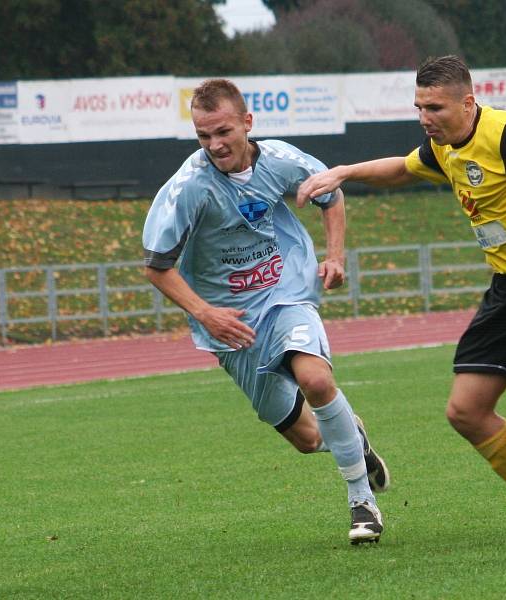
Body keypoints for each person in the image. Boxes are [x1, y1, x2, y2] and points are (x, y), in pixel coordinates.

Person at [296, 55, 506, 540]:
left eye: (434, 107)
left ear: (468, 103)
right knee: (465, 411)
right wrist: (346, 171)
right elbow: (403, 168)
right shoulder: (446, 146)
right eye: (418, 107)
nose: (424, 118)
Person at [142, 78, 390, 545]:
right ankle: (353, 440)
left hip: (285, 292)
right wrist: (206, 314)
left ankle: (363, 501)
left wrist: (335, 256)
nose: (214, 145)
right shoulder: (189, 188)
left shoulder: (280, 161)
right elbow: (158, 266)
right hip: (230, 324)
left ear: (247, 123)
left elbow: (330, 194)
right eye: (203, 136)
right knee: (309, 440)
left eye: (223, 132)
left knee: (317, 380)